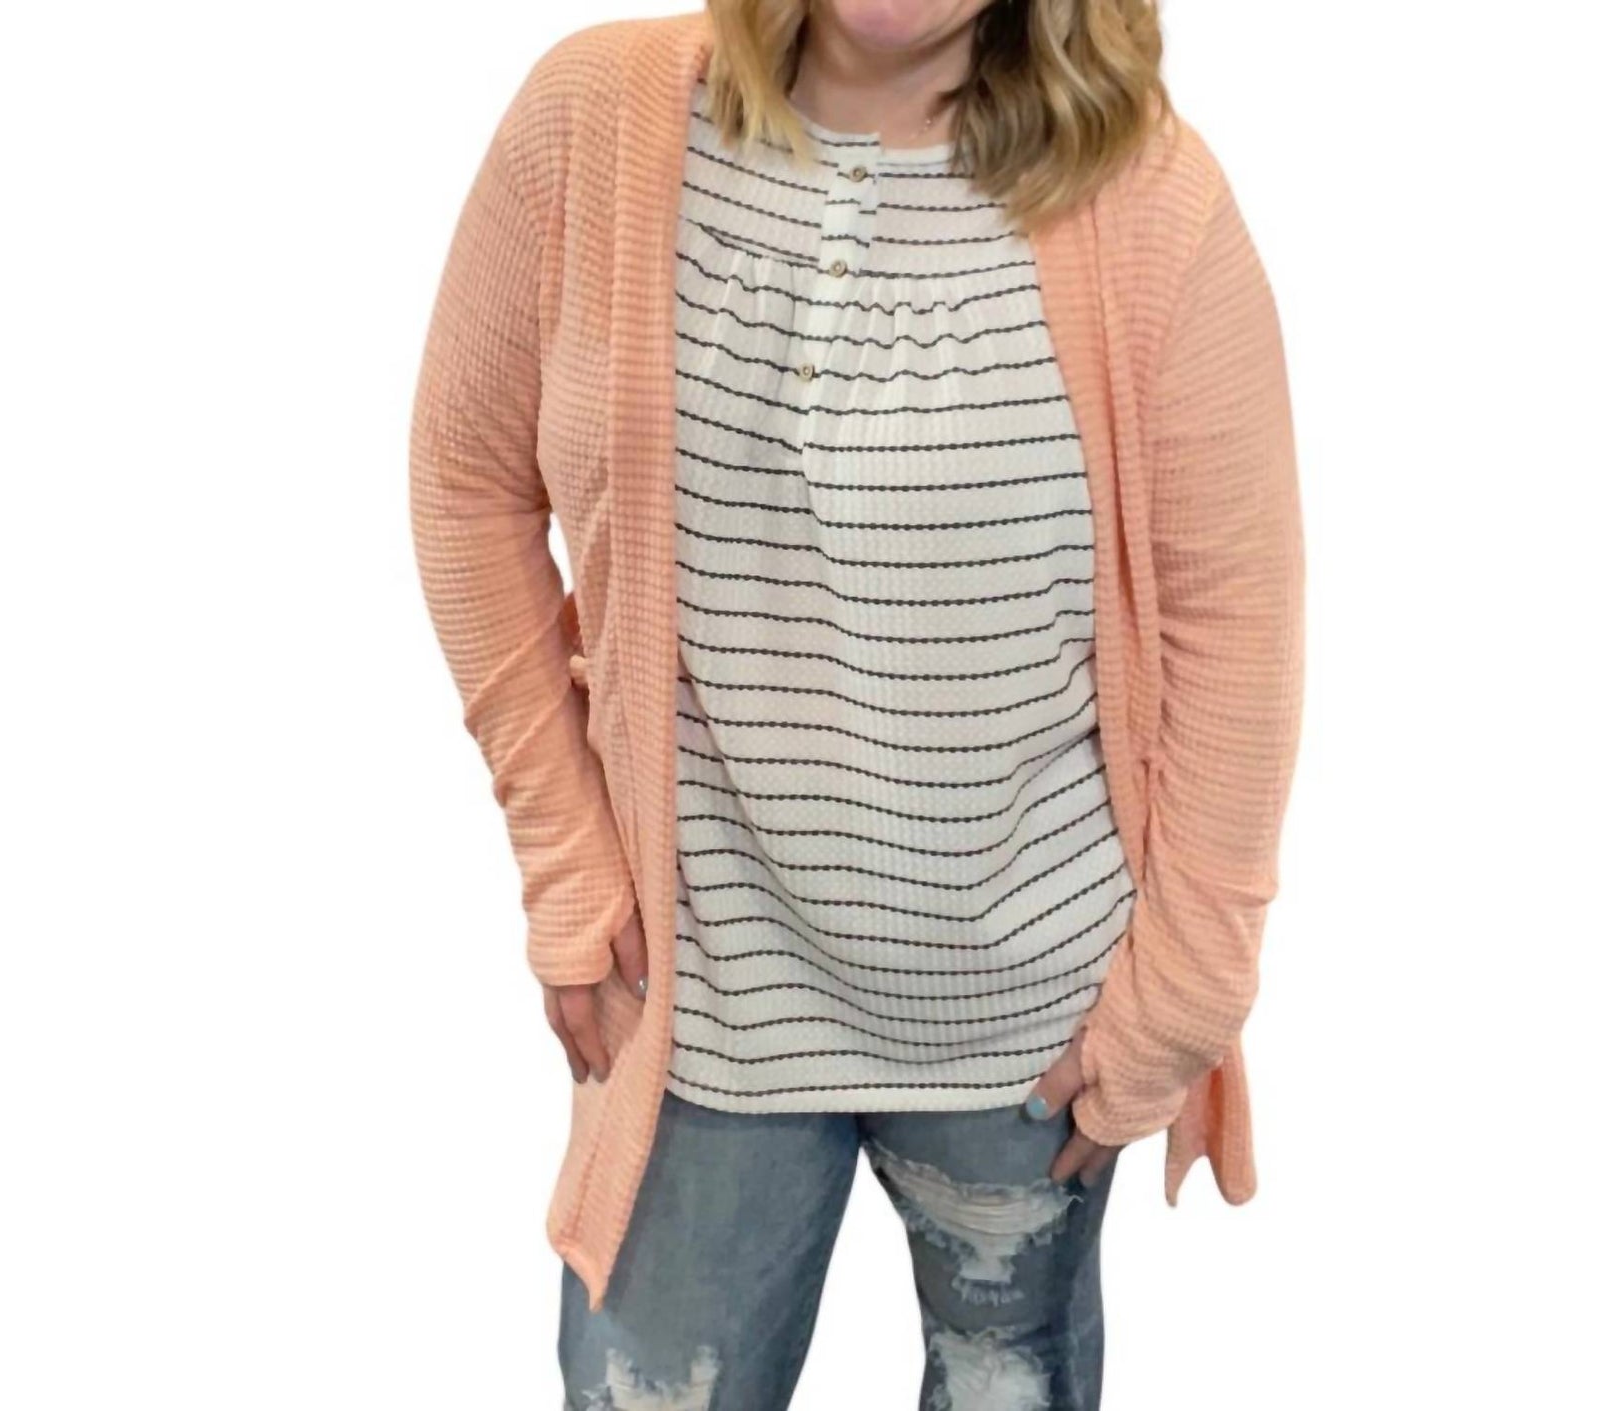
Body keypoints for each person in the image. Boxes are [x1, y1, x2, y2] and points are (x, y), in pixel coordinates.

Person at [408, 3, 1304, 1405]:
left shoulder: (1147, 201)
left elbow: (1233, 627)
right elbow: (467, 481)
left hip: (1027, 1021)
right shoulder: (595, 120)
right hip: (699, 1003)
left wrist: (1183, 996)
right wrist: (566, 859)